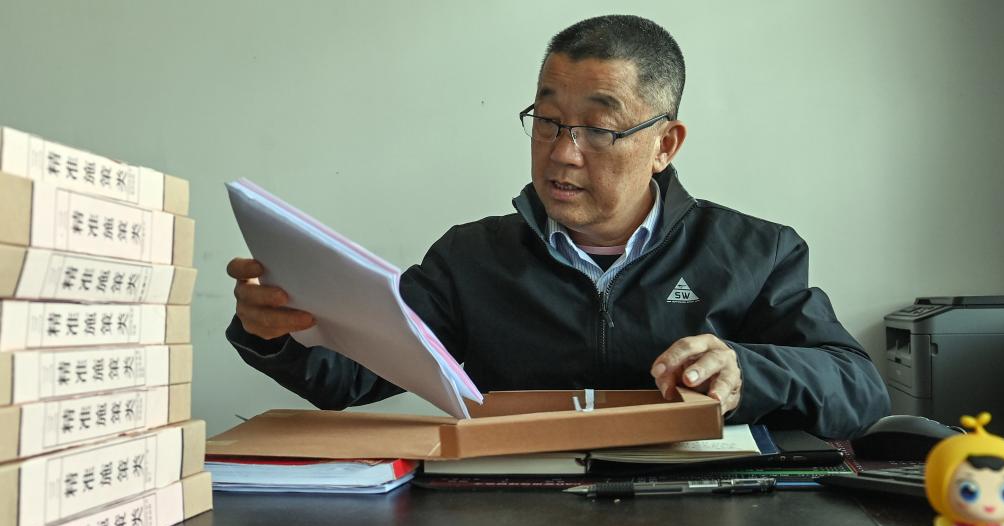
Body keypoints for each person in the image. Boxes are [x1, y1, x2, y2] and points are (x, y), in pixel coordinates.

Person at [225, 15, 890, 439]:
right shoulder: (470, 258)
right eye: (547, 122)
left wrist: (748, 372)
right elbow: (350, 376)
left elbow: (859, 390)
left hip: (702, 520)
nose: (563, 153)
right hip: (516, 512)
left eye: (598, 129)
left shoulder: (756, 252)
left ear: (665, 145)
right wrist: (279, 330)